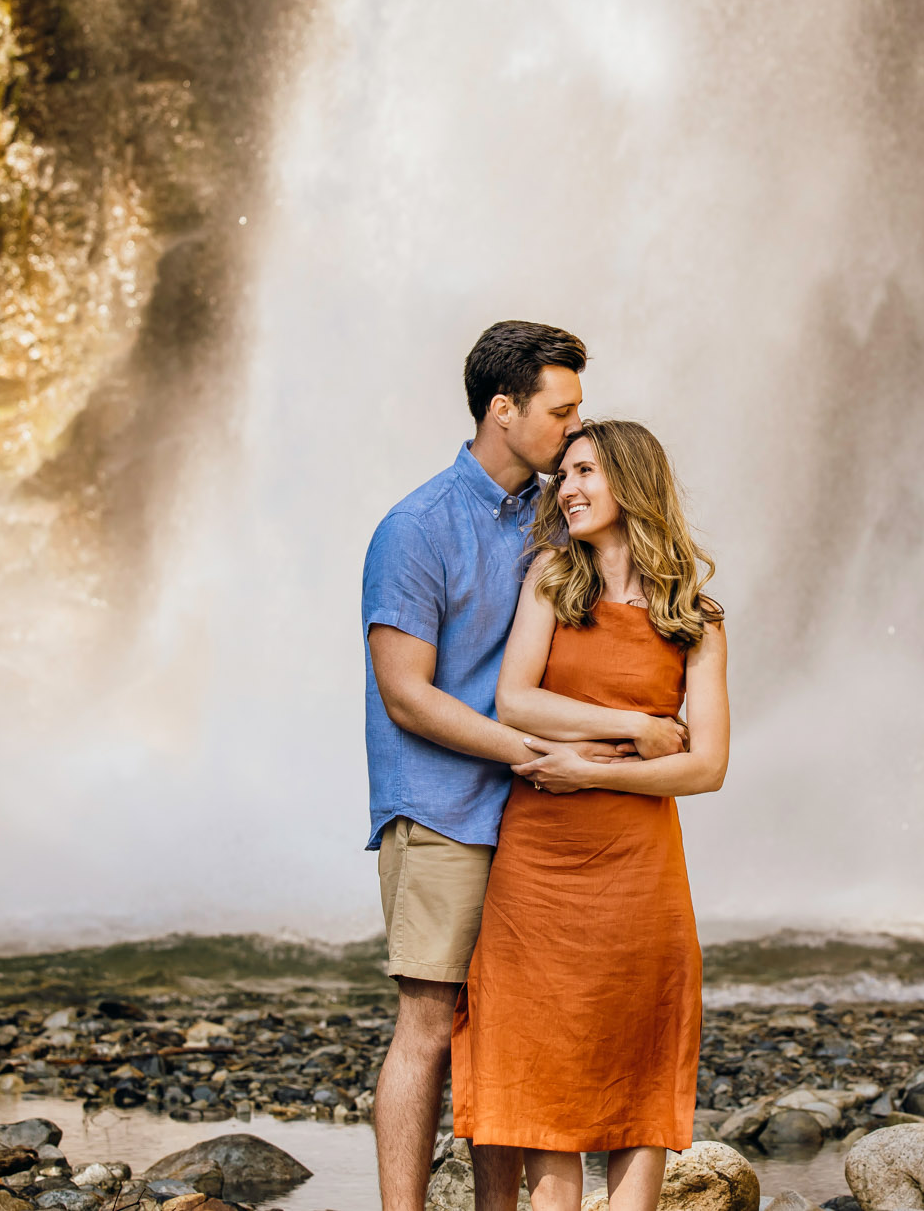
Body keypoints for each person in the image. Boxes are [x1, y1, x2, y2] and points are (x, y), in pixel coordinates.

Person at [363, 322, 654, 1211]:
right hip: (445, 811)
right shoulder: (415, 528)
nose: (575, 430)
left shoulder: (557, 512)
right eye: (561, 411)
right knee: (428, 1027)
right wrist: (541, 751)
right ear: (503, 409)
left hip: (539, 823)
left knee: (507, 1038)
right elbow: (407, 694)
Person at [451, 419, 731, 1211]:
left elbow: (707, 764)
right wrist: (634, 730)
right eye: (564, 474)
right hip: (538, 871)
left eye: (584, 473)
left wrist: (582, 769)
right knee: (542, 1068)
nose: (565, 489)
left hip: (640, 873)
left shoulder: (697, 619)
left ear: (632, 482)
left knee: (639, 1071)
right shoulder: (551, 578)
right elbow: (516, 698)